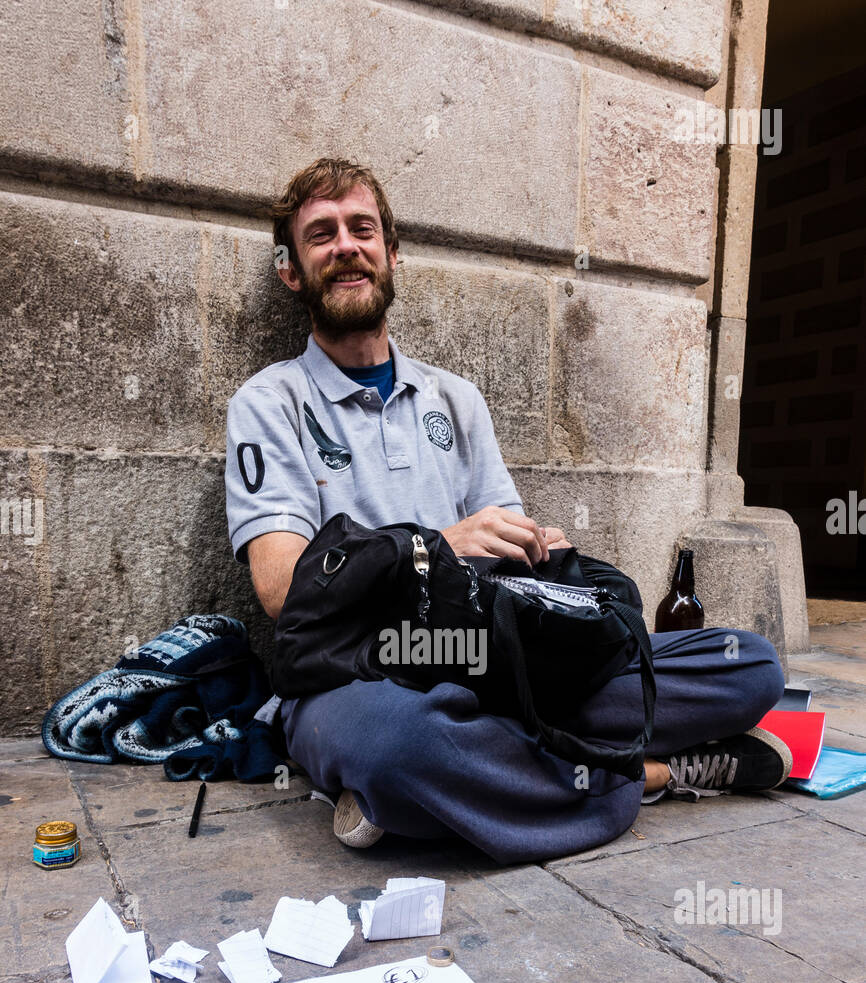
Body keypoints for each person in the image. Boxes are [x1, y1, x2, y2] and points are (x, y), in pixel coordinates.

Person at [225, 158, 789, 864]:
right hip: (361, 673)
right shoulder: (269, 404)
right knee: (403, 746)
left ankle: (452, 786)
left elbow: (506, 558)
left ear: (391, 254)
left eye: (362, 229)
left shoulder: (454, 399)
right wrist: (439, 546)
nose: (346, 246)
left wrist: (538, 546)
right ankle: (648, 774)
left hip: (485, 658)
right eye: (321, 235)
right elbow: (283, 590)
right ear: (292, 270)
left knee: (750, 664)